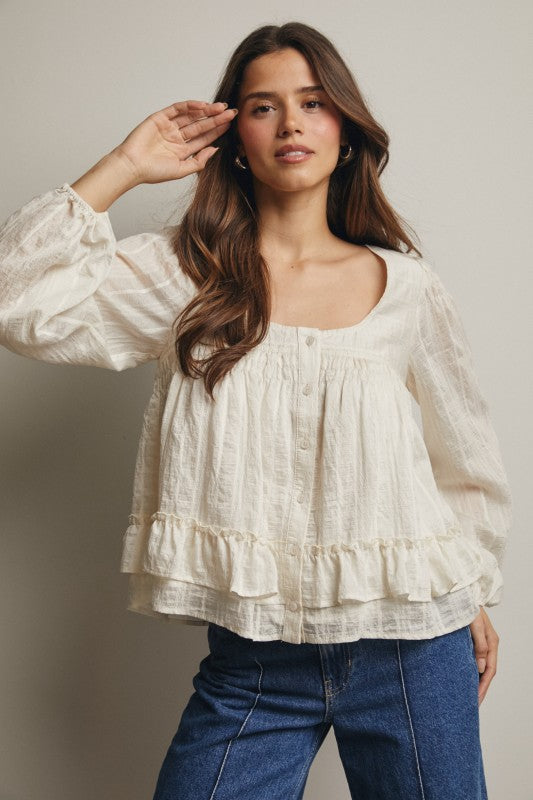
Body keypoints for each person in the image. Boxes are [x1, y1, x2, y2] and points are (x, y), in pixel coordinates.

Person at [0, 20, 512, 800]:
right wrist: (123, 166)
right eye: (263, 107)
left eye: (313, 102)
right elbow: (16, 304)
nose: (291, 124)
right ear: (235, 136)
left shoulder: (405, 287)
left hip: (414, 644)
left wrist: (469, 589)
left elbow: (464, 458)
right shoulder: (186, 275)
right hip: (254, 660)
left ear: (345, 128)